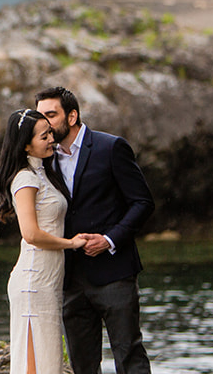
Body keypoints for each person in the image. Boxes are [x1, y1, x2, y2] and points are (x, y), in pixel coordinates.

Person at [35, 86, 155, 374]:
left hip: (114, 272)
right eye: (40, 117)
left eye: (51, 115)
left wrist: (109, 239)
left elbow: (142, 202)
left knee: (129, 356)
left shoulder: (110, 147)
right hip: (69, 278)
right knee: (82, 364)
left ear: (72, 116)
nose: (44, 124)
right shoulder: (43, 159)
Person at [0, 108, 87, 374]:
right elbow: (31, 234)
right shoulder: (25, 178)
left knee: (49, 365)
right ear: (25, 145)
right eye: (44, 136)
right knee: (37, 368)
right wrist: (71, 243)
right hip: (34, 283)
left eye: (50, 133)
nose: (51, 139)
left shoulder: (44, 173)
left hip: (47, 281)